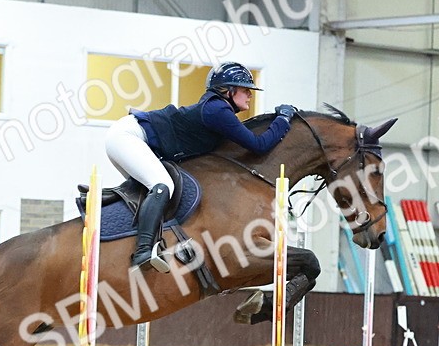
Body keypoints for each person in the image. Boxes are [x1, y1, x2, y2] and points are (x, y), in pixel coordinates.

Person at [105, 61, 297, 272]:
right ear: (229, 91)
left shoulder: (218, 111)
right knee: (162, 185)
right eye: (245, 90)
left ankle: (146, 243)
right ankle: (142, 252)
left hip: (132, 139)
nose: (250, 95)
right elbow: (259, 145)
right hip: (128, 136)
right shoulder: (218, 110)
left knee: (160, 192)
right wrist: (283, 118)